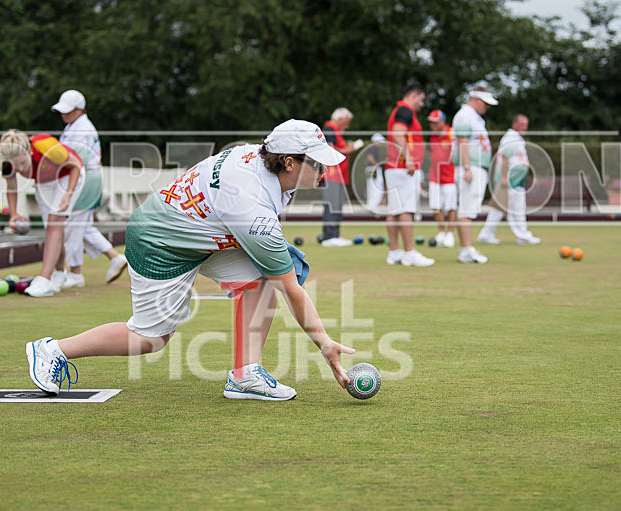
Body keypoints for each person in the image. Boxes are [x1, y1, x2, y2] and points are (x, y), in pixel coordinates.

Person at [24, 119, 357, 400]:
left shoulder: (254, 155)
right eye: (316, 161)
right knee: (150, 340)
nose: (326, 168)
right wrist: (325, 343)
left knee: (268, 272)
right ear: (288, 163)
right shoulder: (253, 210)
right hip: (158, 242)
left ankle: (244, 375)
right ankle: (53, 349)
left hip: (199, 233)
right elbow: (290, 288)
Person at [51, 90, 128, 288]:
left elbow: (74, 160)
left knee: (73, 227)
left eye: (68, 111)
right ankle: (113, 257)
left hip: (84, 178)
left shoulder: (80, 129)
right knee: (80, 225)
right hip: (86, 177)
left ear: (79, 110)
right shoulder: (74, 126)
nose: (64, 114)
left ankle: (76, 274)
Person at [0, 130, 83, 297]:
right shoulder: (6, 162)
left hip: (69, 176)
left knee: (53, 225)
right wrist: (13, 214)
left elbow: (75, 166)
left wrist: (68, 194)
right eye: (17, 167)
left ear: (29, 151)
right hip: (43, 181)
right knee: (53, 230)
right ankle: (59, 273)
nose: (21, 169)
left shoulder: (45, 145)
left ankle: (44, 279)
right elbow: (12, 188)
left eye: (23, 163)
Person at [384, 83, 434, 267]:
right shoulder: (405, 110)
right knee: (405, 210)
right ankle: (409, 252)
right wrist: (409, 158)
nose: (421, 103)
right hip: (403, 167)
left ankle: (394, 252)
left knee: (394, 210)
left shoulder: (399, 110)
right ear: (414, 96)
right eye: (421, 99)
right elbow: (398, 134)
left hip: (394, 166)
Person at [451, 86, 498, 263]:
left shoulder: (474, 117)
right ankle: (466, 250)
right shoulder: (465, 116)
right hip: (471, 168)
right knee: (466, 210)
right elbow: (462, 143)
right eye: (485, 104)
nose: (487, 107)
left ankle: (466, 248)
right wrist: (467, 168)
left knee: (468, 210)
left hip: (476, 167)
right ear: (477, 100)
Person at [477, 114, 541, 245]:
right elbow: (505, 158)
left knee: (499, 208)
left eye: (526, 124)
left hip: (515, 181)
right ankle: (523, 236)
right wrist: (505, 178)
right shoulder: (511, 137)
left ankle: (486, 234)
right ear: (515, 124)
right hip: (510, 181)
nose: (525, 127)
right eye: (522, 124)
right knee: (516, 208)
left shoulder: (517, 138)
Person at [320, 108, 362, 247]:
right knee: (332, 205)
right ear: (340, 118)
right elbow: (330, 150)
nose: (347, 126)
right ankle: (329, 236)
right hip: (331, 174)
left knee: (337, 204)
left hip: (338, 176)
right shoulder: (329, 129)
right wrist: (350, 149)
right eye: (346, 122)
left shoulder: (335, 131)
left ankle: (334, 235)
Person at [426, 110, 457, 247]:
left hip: (450, 175)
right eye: (431, 122)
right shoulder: (432, 137)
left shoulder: (452, 133)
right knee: (436, 206)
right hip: (435, 176)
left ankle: (450, 233)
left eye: (435, 122)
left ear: (442, 121)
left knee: (451, 206)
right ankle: (441, 231)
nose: (432, 125)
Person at [364, 133, 387, 211]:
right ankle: (372, 205)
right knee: (375, 187)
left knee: (373, 187)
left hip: (371, 169)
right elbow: (369, 157)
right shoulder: (373, 148)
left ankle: (372, 205)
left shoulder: (372, 148)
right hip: (373, 169)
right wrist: (376, 165)